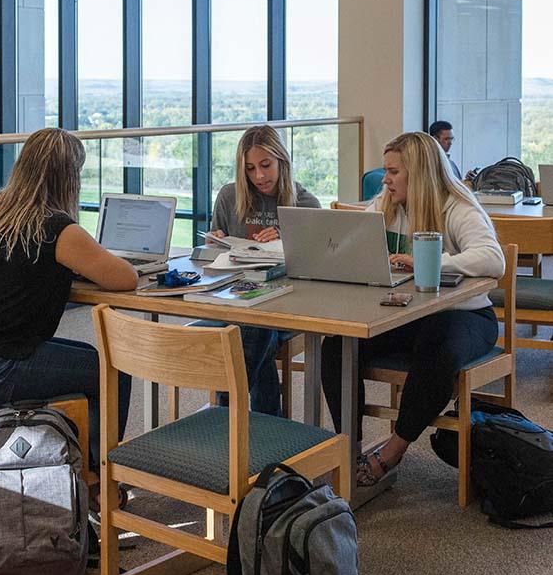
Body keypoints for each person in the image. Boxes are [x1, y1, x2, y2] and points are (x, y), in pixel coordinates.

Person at [0, 127, 139, 475]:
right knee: (114, 367)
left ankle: (87, 470)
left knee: (93, 357)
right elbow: (126, 278)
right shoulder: (57, 228)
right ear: (68, 177)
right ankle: (97, 478)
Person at [321, 131, 504, 486]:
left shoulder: (457, 205)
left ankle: (393, 450)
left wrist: (429, 262)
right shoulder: (386, 203)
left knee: (436, 344)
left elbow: (493, 259)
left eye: (393, 172)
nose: (385, 179)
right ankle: (349, 447)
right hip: (409, 315)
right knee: (338, 345)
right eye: (385, 171)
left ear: (418, 173)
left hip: (468, 316)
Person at [209, 124, 321, 415]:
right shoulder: (229, 197)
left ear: (282, 161)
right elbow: (211, 260)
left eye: (266, 165)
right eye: (250, 168)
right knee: (258, 335)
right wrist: (216, 243)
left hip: (287, 303)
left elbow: (316, 270)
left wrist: (285, 241)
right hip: (233, 298)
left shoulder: (305, 204)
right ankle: (266, 430)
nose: (259, 176)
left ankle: (226, 405)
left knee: (257, 326)